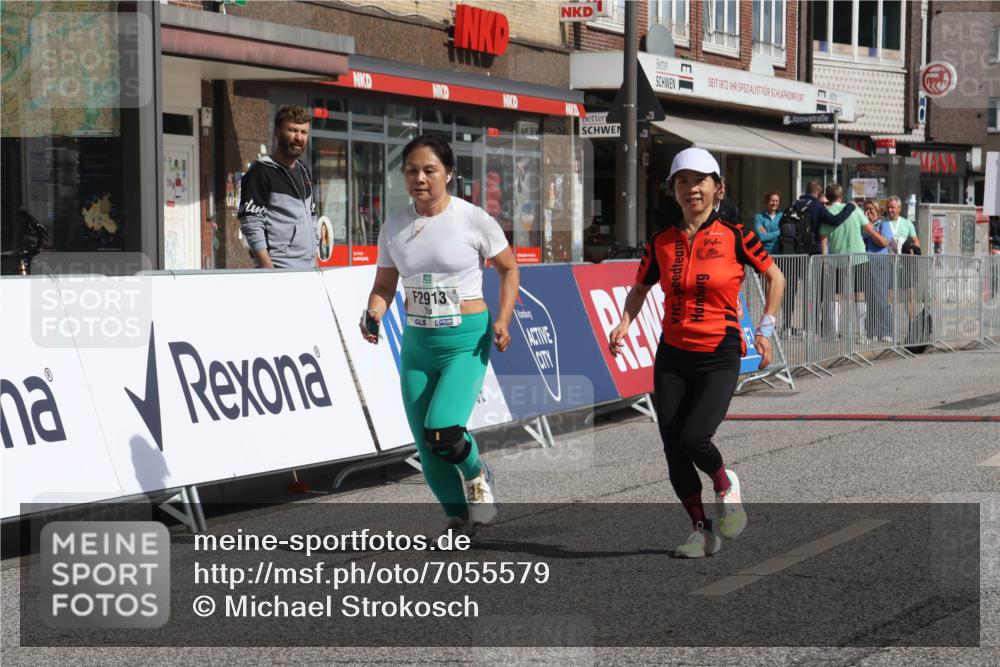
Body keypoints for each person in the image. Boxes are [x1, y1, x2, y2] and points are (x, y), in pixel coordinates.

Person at [608, 148, 785, 558]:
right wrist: (624, 323)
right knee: (673, 448)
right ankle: (702, 531)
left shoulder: (737, 235)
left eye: (701, 180)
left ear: (717, 187)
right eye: (683, 181)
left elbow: (774, 277)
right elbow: (639, 289)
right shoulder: (661, 243)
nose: (692, 189)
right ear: (674, 190)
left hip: (718, 352)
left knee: (694, 437)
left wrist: (766, 327)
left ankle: (725, 484)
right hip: (672, 355)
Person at [361, 135, 519, 538]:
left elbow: (508, 269)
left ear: (448, 173)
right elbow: (384, 285)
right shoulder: (394, 226)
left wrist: (503, 319)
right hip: (418, 345)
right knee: (426, 445)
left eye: (430, 170)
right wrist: (374, 314)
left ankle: (478, 473)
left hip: (465, 341)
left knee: (444, 430)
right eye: (411, 170)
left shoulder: (472, 219)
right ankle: (457, 519)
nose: (420, 178)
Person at [239, 106, 318, 269]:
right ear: (277, 133)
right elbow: (252, 223)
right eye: (293, 130)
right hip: (280, 269)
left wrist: (314, 259)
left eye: (303, 132)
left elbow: (312, 216)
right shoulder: (260, 171)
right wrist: (269, 270)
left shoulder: (304, 171)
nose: (299, 137)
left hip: (308, 269)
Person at [819, 184, 886, 343]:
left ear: (827, 198)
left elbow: (823, 240)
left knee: (835, 296)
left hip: (837, 259)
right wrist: (884, 241)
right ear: (841, 196)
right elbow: (870, 230)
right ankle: (861, 334)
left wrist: (825, 261)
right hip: (858, 257)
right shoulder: (854, 210)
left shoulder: (826, 214)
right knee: (859, 294)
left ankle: (833, 334)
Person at [861, 199, 893, 343]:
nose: (868, 213)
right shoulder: (863, 226)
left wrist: (870, 231)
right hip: (866, 263)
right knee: (870, 299)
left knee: (881, 298)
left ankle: (886, 331)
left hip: (879, 264)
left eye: (871, 210)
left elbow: (884, 241)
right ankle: (871, 331)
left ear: (877, 211)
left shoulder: (883, 224)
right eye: (865, 210)